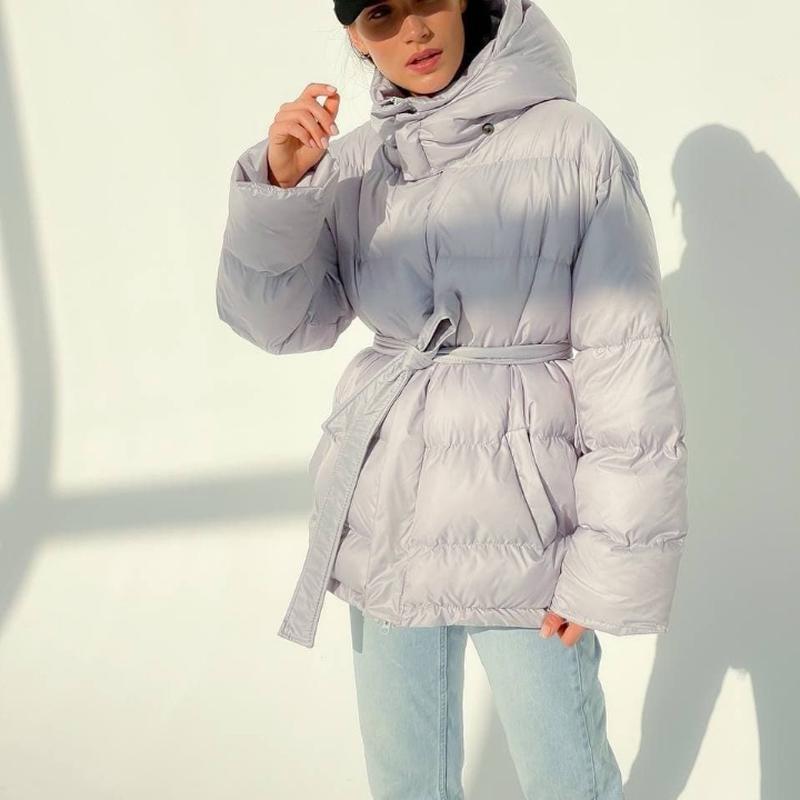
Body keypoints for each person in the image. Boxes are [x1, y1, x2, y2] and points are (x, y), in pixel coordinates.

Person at [216, 0, 689, 797]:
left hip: (528, 533)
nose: (414, 30)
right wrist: (281, 187)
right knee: (404, 783)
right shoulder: (358, 165)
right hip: (387, 517)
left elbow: (629, 369)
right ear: (356, 36)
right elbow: (282, 324)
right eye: (381, 14)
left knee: (567, 780)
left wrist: (606, 565)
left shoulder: (573, 145)